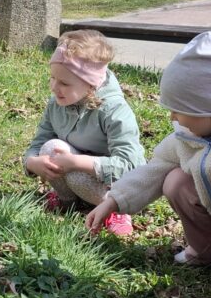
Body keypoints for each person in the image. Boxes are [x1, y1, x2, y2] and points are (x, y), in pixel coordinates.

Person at [86, 31, 211, 263]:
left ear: (209, 110)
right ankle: (208, 250)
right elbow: (154, 169)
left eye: (179, 110)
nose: (173, 118)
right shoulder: (186, 136)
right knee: (175, 180)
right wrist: (113, 200)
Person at [23, 30, 145, 236]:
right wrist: (32, 163)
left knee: (72, 168)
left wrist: (77, 163)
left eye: (64, 83)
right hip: (77, 172)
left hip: (116, 186)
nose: (54, 87)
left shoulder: (114, 110)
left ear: (90, 85)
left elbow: (131, 166)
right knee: (51, 148)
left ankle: (117, 210)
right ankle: (68, 200)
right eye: (52, 78)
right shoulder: (57, 104)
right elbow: (40, 141)